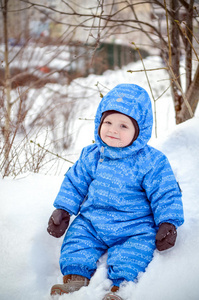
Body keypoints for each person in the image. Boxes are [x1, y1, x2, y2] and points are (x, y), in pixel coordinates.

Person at [47, 84, 184, 300]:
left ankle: (120, 288)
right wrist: (63, 209)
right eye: (108, 122)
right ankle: (75, 279)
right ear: (99, 123)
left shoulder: (151, 161)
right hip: (92, 222)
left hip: (134, 227)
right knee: (77, 240)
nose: (112, 130)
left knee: (135, 254)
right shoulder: (92, 155)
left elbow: (165, 192)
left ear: (139, 131)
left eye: (123, 126)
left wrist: (168, 222)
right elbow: (75, 182)